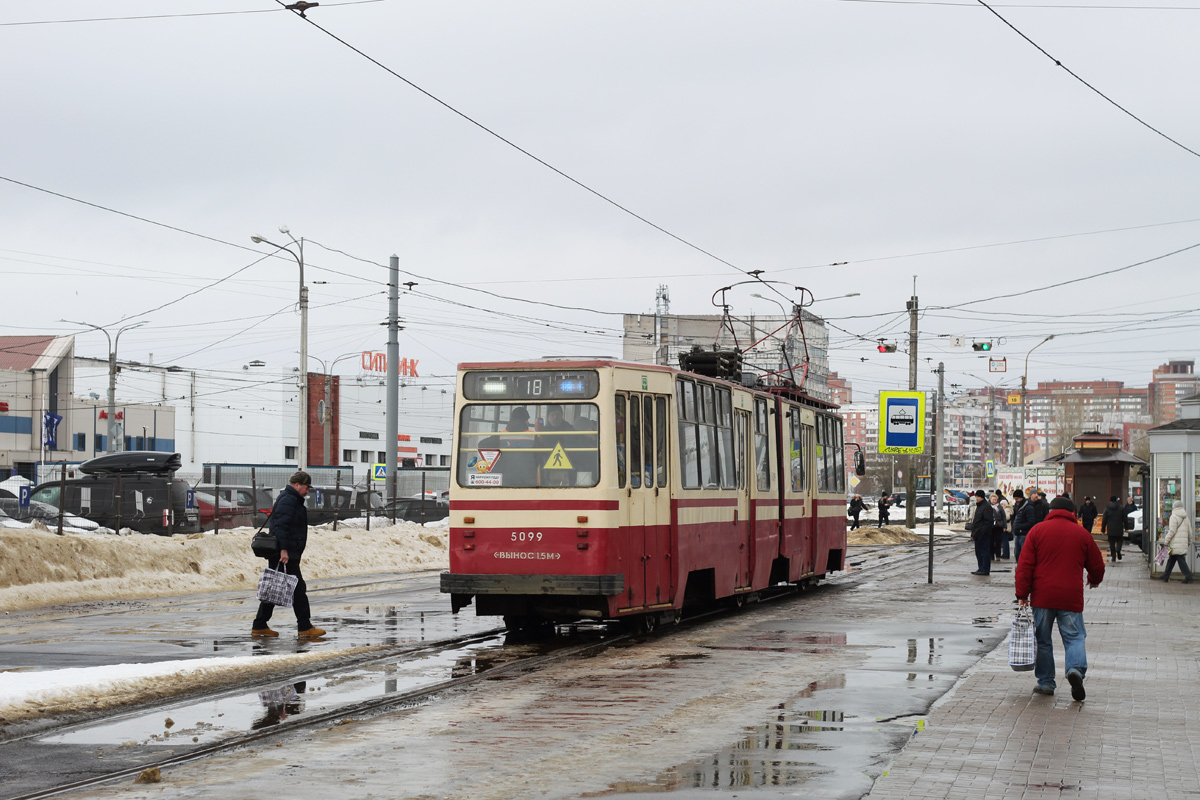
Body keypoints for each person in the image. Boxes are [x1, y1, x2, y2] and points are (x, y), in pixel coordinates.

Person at [1015, 495, 1105, 701]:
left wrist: (1022, 594)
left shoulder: (1037, 531)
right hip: (1070, 596)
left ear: (1050, 512)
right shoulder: (1081, 533)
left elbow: (1024, 565)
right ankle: (1075, 670)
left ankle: (1046, 682)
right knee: (1074, 637)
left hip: (1042, 596)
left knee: (1043, 640)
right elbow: (1097, 564)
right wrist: (1094, 580)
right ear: (1072, 513)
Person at [252, 472, 326, 639]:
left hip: (286, 551)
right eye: (306, 488)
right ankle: (305, 627)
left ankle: (260, 625)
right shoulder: (288, 500)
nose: (307, 491)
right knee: (298, 590)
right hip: (285, 553)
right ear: (297, 485)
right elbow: (281, 527)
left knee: (274, 587)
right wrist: (284, 550)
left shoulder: (291, 498)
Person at [1160, 500, 1194, 583]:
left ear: (1174, 507)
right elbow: (1190, 531)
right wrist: (1189, 541)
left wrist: (1166, 541)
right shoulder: (1185, 517)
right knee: (1172, 559)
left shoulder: (1174, 516)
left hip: (1175, 543)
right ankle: (1166, 575)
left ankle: (1188, 576)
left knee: (1180, 560)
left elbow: (1172, 531)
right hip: (1182, 542)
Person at [969, 490, 992, 576]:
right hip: (977, 534)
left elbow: (988, 521)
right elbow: (976, 521)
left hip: (983, 534)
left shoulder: (986, 507)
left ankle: (985, 569)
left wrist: (983, 532)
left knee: (984, 552)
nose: (976, 498)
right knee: (978, 552)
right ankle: (981, 568)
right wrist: (973, 534)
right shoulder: (979, 506)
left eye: (978, 497)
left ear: (981, 497)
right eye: (976, 497)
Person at [1011, 489, 1035, 562]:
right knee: (1017, 554)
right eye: (1015, 499)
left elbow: (1031, 522)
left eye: (1017, 498)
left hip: (1024, 534)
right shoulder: (1017, 506)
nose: (1016, 500)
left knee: (1023, 554)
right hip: (1017, 533)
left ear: (1021, 497)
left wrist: (1019, 526)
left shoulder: (1028, 507)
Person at [1100, 495, 1126, 562]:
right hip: (1119, 527)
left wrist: (1103, 529)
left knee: (1111, 543)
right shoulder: (1121, 508)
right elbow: (1125, 519)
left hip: (1110, 528)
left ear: (1110, 501)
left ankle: (1113, 557)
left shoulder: (1107, 509)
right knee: (1120, 540)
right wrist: (1126, 527)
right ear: (1117, 500)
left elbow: (1104, 520)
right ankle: (1118, 549)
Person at [990, 493, 1007, 561]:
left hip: (998, 526)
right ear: (990, 500)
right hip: (991, 526)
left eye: (995, 499)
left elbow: (1004, 517)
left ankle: (998, 555)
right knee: (991, 541)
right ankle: (991, 556)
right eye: (993, 499)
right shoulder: (988, 507)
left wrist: (1004, 526)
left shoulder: (1000, 507)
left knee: (998, 541)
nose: (994, 501)